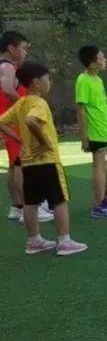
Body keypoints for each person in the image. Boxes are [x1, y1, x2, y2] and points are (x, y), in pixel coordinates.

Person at [0, 62, 87, 256]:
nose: (50, 82)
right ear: (36, 82)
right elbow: (31, 121)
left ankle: (34, 241)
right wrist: (45, 143)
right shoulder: (39, 103)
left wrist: (20, 140)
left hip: (28, 163)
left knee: (30, 203)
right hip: (47, 161)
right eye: (47, 78)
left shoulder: (21, 103)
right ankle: (64, 242)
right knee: (59, 201)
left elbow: (1, 122)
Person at [0, 31, 53, 223]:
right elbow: (7, 88)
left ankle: (17, 207)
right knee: (22, 165)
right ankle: (30, 208)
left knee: (15, 164)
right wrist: (25, 106)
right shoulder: (7, 66)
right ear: (11, 48)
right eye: (23, 48)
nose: (25, 52)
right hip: (14, 122)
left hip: (9, 120)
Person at [75, 46, 107, 219]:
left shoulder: (97, 80)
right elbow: (80, 110)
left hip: (106, 130)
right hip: (96, 131)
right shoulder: (83, 80)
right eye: (101, 58)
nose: (105, 60)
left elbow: (103, 108)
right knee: (99, 166)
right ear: (92, 63)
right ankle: (99, 205)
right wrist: (84, 137)